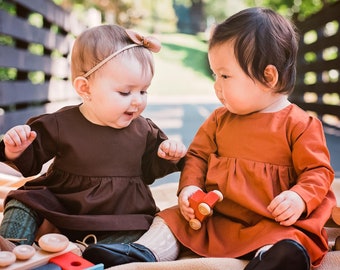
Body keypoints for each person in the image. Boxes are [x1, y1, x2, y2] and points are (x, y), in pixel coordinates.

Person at [82, 7, 336, 270]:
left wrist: (299, 198)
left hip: (272, 221)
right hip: (219, 217)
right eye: (215, 74)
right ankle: (147, 250)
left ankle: (272, 259)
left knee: (293, 238)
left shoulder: (300, 124)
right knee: (171, 218)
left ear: (268, 77)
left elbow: (317, 172)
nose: (217, 85)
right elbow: (197, 157)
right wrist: (190, 189)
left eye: (225, 75)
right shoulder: (219, 119)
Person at [0, 24, 187, 247]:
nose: (137, 100)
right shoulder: (62, 123)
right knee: (22, 202)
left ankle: (96, 250)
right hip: (63, 202)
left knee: (141, 229)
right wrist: (17, 149)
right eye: (125, 92)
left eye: (143, 91)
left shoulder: (144, 129)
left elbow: (148, 169)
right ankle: (11, 247)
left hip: (120, 212)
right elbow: (32, 154)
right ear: (85, 88)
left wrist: (169, 154)